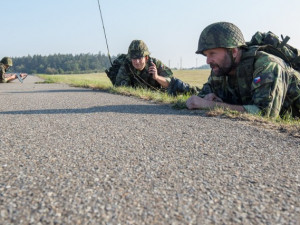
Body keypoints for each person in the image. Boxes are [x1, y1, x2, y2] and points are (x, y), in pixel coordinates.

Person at [186, 22, 300, 118]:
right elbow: (200, 97)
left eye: (212, 53)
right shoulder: (221, 69)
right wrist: (208, 97)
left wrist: (211, 105)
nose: (208, 61)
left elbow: (264, 113)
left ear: (234, 51)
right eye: (206, 55)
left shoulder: (266, 65)